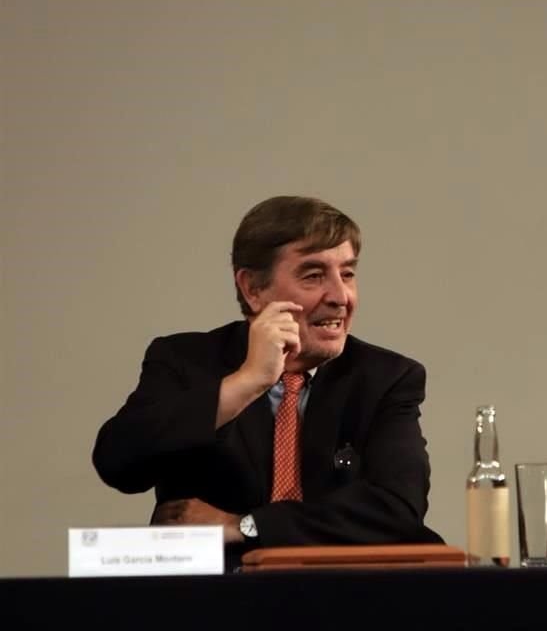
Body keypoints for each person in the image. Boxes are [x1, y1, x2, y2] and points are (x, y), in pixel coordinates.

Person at [92, 195, 443, 568]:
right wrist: (247, 382)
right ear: (253, 289)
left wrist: (244, 526)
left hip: (343, 598)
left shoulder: (385, 377)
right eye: (313, 275)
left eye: (348, 274)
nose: (341, 297)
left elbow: (398, 508)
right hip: (211, 602)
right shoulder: (186, 361)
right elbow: (118, 463)